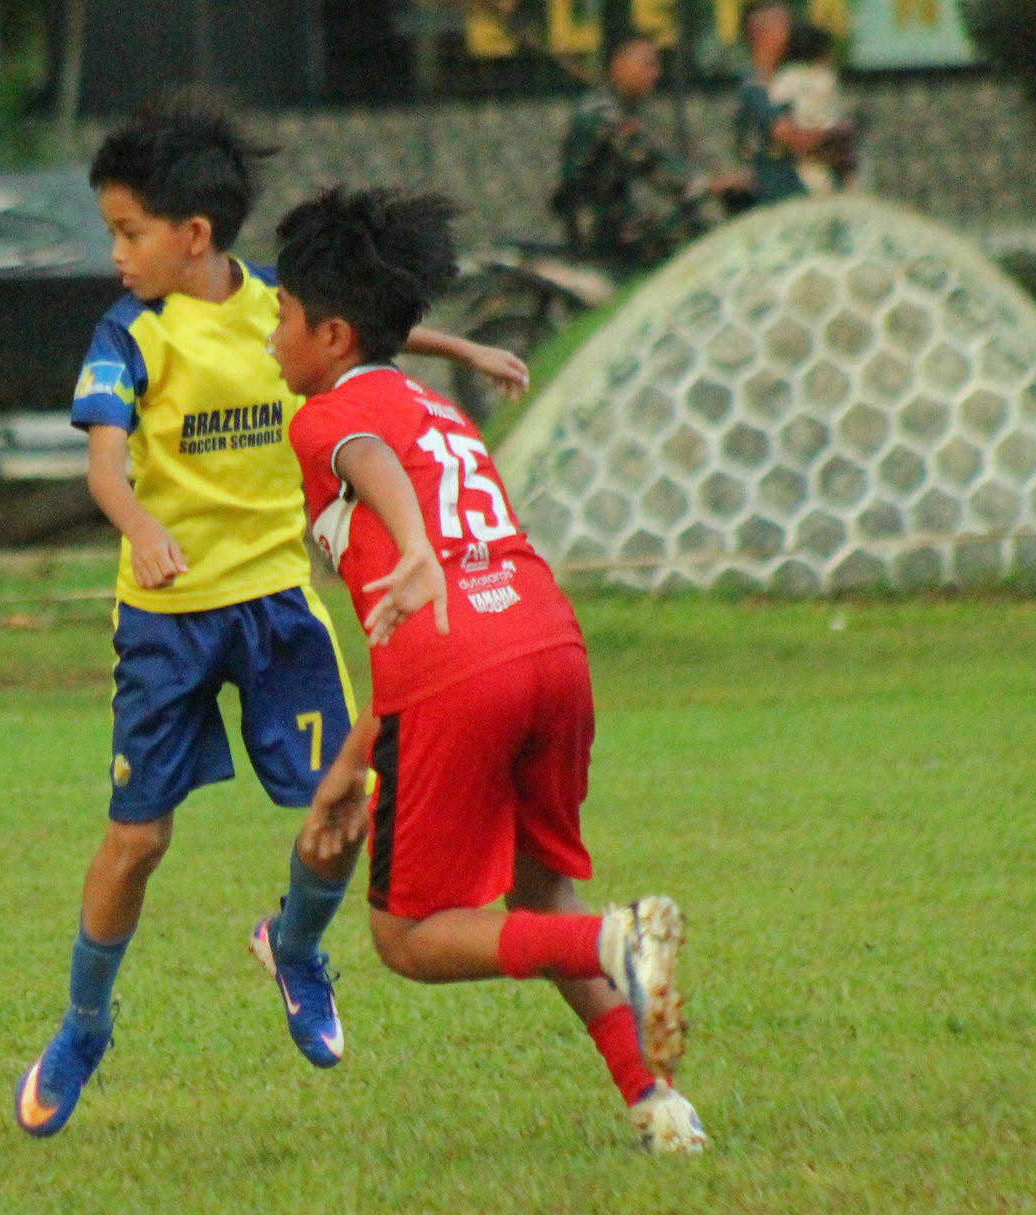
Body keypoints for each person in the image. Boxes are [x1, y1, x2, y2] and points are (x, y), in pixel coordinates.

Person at [12, 99, 533, 1138]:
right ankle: (81, 1024)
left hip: (276, 609)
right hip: (166, 624)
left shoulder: (271, 311)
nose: (114, 252)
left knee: (346, 806)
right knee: (135, 840)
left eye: (126, 231)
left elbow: (358, 335)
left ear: (191, 236)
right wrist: (141, 525)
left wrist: (458, 350)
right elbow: (104, 465)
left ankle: (291, 947)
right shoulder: (128, 333)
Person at [262, 185, 707, 1153]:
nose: (270, 335)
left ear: (332, 334)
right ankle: (657, 1103)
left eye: (282, 317)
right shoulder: (425, 403)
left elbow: (362, 453)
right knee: (540, 894)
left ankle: (615, 938)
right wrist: (359, 750)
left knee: (409, 938)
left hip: (457, 663)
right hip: (548, 645)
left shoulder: (321, 423)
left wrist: (413, 545)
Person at [554, 36, 734, 268]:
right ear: (619, 65)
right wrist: (708, 183)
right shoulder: (604, 113)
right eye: (648, 64)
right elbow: (649, 162)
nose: (656, 74)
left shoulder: (615, 107)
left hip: (613, 220)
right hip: (600, 229)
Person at [736, 1, 837, 208]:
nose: (791, 32)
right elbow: (792, 137)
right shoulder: (755, 89)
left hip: (802, 197)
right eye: (785, 25)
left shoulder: (789, 79)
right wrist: (833, 135)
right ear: (762, 32)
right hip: (777, 200)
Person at [770, 22, 855, 196]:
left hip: (792, 162)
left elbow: (776, 115)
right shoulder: (826, 78)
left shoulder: (784, 77)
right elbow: (836, 122)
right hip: (824, 151)